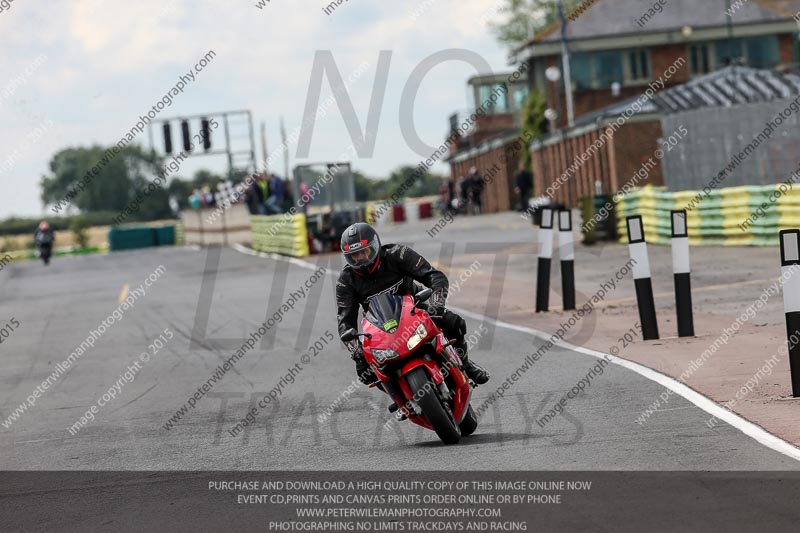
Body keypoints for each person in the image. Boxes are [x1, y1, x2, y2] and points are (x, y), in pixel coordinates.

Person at [335, 222, 489, 387]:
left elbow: (435, 276)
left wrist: (436, 304)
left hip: (416, 309)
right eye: (354, 256)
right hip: (381, 326)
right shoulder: (346, 280)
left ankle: (465, 364)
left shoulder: (397, 254)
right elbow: (345, 323)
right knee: (367, 373)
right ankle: (403, 403)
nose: (360, 259)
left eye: (364, 252)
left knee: (454, 323)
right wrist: (357, 352)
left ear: (375, 246)